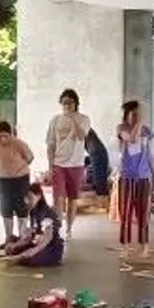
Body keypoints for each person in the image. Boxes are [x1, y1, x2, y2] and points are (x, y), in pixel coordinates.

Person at [46, 89, 92, 238]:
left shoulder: (84, 119)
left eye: (70, 102)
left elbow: (81, 136)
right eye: (64, 102)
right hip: (59, 163)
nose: (67, 105)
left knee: (72, 198)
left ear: (76, 103)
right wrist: (50, 165)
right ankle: (58, 228)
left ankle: (69, 229)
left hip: (76, 164)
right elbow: (50, 144)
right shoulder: (55, 120)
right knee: (58, 198)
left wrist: (72, 118)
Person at [114, 100, 154, 260]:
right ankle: (125, 246)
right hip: (127, 177)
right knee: (125, 214)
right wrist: (138, 123)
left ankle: (144, 246)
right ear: (127, 114)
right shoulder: (121, 128)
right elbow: (131, 139)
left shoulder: (146, 131)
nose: (137, 117)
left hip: (144, 177)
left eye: (139, 114)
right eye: (134, 114)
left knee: (144, 214)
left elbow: (149, 154)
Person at [0, 120, 35, 240]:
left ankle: (22, 237)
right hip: (2, 180)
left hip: (20, 179)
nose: (3, 139)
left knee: (21, 207)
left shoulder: (19, 144)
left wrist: (18, 168)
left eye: (5, 136)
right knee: (6, 208)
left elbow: (30, 158)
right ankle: (8, 237)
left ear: (11, 134)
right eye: (0, 136)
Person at [0, 183, 66, 267]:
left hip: (49, 247)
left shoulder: (47, 215)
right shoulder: (33, 210)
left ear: (39, 196)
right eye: (25, 198)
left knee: (29, 259)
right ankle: (19, 254)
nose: (27, 202)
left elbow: (44, 242)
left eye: (30, 198)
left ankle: (23, 256)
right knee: (10, 239)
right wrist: (15, 245)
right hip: (36, 241)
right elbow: (31, 236)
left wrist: (23, 255)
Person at [84, 128, 112, 198]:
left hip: (96, 153)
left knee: (100, 182)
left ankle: (102, 197)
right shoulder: (92, 140)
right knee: (100, 181)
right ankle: (103, 196)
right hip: (98, 152)